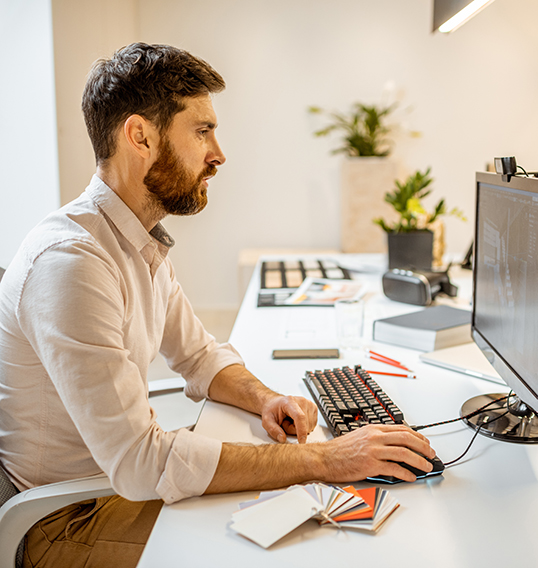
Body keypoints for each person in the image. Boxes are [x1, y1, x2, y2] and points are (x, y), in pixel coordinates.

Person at [0, 43, 436, 567]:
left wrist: (265, 397)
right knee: (306, 548)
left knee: (303, 524)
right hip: (69, 524)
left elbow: (199, 357)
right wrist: (327, 458)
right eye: (202, 130)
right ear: (139, 135)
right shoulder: (72, 262)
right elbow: (140, 463)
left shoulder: (136, 239)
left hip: (115, 493)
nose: (218, 153)